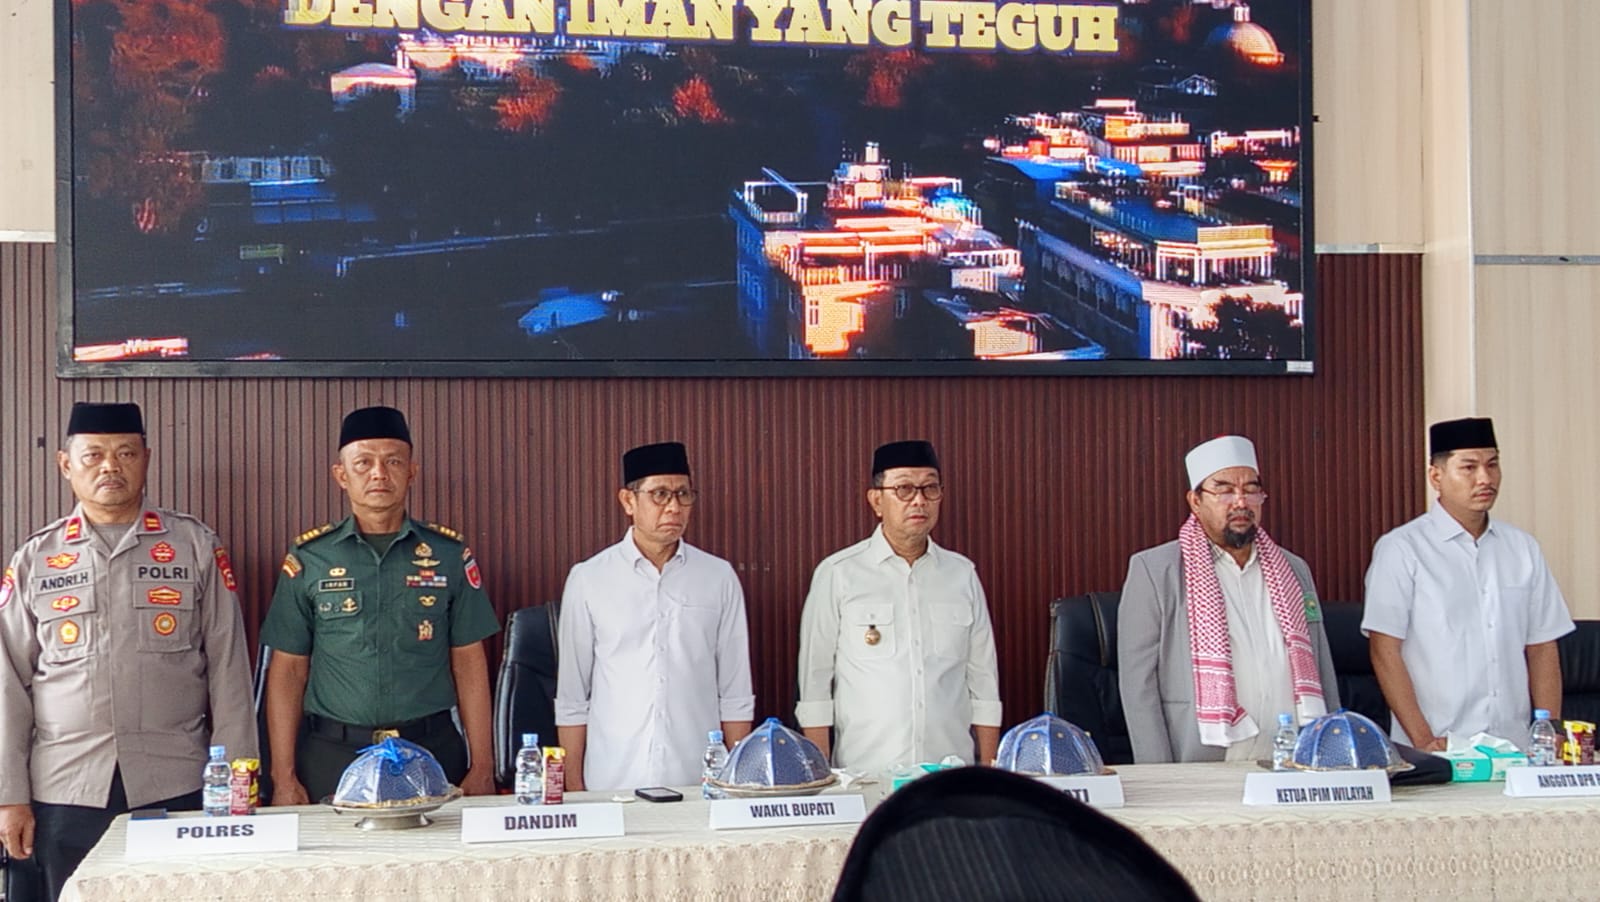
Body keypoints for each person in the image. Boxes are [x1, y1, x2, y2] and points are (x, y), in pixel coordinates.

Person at [0, 402, 255, 902]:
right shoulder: (36, 559)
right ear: (65, 464)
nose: (110, 467)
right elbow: (6, 684)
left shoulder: (194, 546)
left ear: (147, 458)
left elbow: (230, 668)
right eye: (93, 455)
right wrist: (9, 796)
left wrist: (239, 780)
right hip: (65, 789)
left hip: (176, 780)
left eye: (125, 453)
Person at [260, 406, 500, 804]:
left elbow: (469, 663)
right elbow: (288, 670)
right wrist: (283, 775)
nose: (379, 474)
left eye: (393, 462)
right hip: (331, 756)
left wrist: (483, 766)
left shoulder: (448, 554)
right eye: (363, 463)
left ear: (412, 472)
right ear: (341, 475)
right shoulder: (310, 557)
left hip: (432, 750)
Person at [1117, 435, 1339, 763]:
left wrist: (1332, 750)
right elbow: (1138, 687)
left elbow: (1321, 666)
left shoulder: (1293, 569)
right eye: (1223, 490)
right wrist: (1158, 773)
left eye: (1251, 490)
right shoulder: (1155, 570)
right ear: (1195, 501)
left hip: (1289, 760)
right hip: (1201, 762)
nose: (1240, 502)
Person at [1362, 417, 1573, 751]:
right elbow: (1384, 649)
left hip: (1515, 747)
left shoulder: (1523, 548)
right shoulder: (1402, 549)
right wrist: (1423, 739)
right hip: (1439, 748)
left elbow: (1542, 646)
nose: (1485, 478)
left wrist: (1552, 731)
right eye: (1469, 467)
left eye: (1493, 465)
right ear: (1436, 476)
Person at [555, 442, 754, 792]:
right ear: (628, 501)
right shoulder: (589, 579)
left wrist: (735, 779)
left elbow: (735, 691)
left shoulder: (718, 577)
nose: (674, 507)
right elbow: (572, 696)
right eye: (660, 494)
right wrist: (573, 784)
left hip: (699, 778)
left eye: (683, 494)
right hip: (612, 778)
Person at [796, 440, 1002, 772]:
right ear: (877, 500)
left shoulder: (961, 574)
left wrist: (989, 769)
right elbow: (815, 683)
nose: (919, 500)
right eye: (904, 489)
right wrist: (823, 774)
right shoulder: (839, 573)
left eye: (930, 488)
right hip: (866, 772)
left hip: (950, 771)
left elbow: (984, 680)